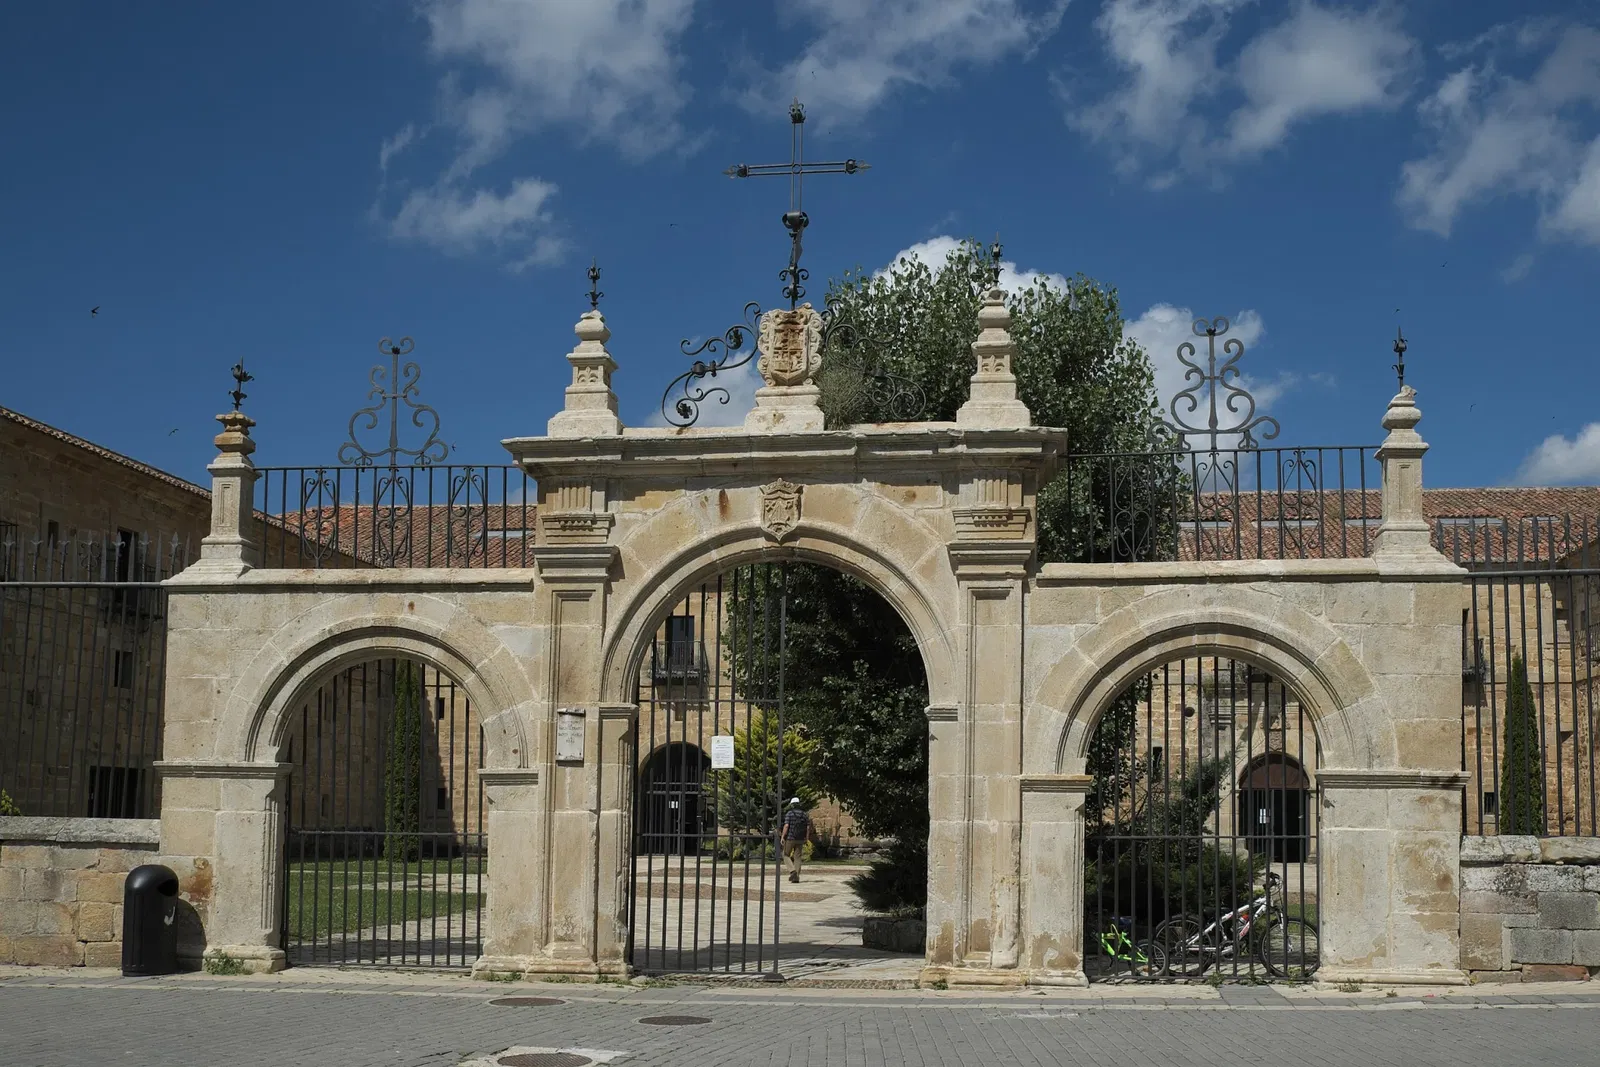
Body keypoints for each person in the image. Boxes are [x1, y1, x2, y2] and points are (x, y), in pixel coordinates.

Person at [779, 797, 813, 883]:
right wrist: (807, 838)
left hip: (790, 838)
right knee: (797, 857)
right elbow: (808, 827)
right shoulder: (804, 814)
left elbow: (786, 826)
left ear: (792, 805)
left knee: (785, 854)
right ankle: (796, 877)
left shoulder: (790, 813)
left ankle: (792, 871)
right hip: (800, 838)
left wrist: (782, 836)